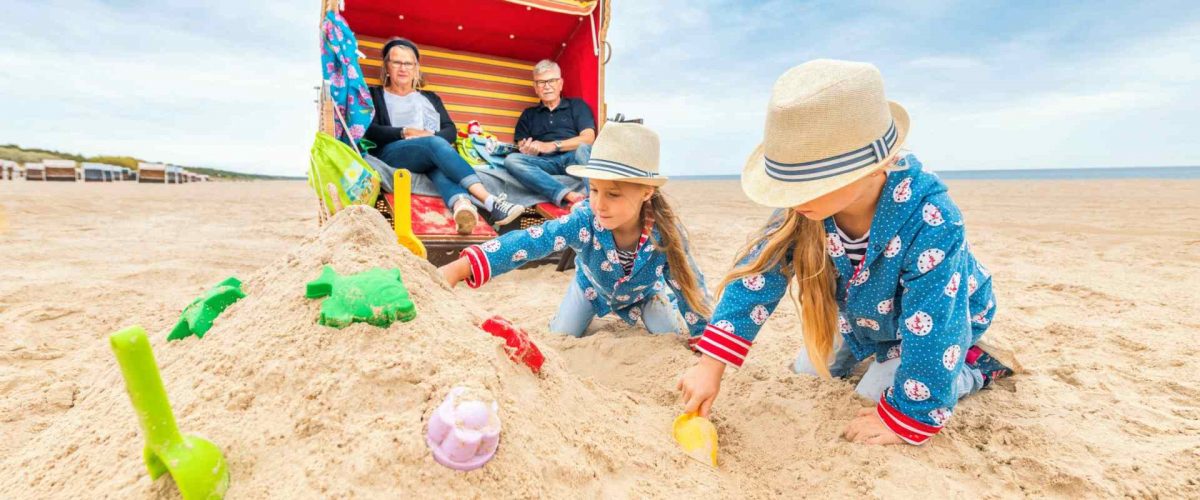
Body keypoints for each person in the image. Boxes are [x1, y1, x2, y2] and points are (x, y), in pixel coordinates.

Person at [677, 60, 1013, 446]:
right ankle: (877, 353)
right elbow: (757, 279)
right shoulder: (803, 208)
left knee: (874, 396)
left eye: (812, 181)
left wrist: (906, 418)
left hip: (936, 319)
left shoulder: (933, 219)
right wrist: (709, 366)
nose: (794, 197)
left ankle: (975, 366)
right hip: (864, 317)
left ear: (876, 167)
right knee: (807, 372)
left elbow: (935, 322)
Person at [441, 122, 712, 339]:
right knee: (561, 335)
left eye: (613, 194)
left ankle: (659, 310)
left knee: (669, 334)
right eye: (594, 189)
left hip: (644, 294)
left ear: (646, 193)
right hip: (590, 289)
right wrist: (461, 268)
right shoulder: (584, 218)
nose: (600, 204)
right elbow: (531, 241)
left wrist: (701, 333)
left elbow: (689, 283)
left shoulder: (665, 234)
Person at [364, 38, 524, 234]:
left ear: (416, 68)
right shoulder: (374, 95)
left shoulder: (430, 98)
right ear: (387, 67)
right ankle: (490, 201)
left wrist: (429, 135)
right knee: (434, 144)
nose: (403, 68)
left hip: (429, 153)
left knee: (436, 159)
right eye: (396, 62)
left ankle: (461, 206)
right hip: (393, 152)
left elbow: (450, 130)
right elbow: (369, 130)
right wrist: (404, 132)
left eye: (409, 63)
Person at [502, 60, 596, 207]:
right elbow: (522, 146)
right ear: (535, 87)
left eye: (551, 81)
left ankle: (594, 200)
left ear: (560, 84)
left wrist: (552, 146)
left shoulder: (577, 105)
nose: (547, 86)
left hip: (574, 158)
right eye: (541, 82)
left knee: (584, 149)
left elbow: (588, 139)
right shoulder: (528, 114)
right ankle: (569, 195)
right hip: (546, 163)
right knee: (512, 160)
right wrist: (529, 150)